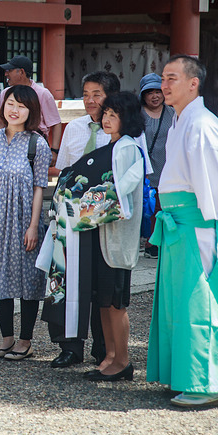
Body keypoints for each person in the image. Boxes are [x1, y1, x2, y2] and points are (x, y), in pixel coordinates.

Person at [146, 55, 218, 409]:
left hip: (196, 221)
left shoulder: (201, 123)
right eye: (163, 78)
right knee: (177, 301)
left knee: (199, 300)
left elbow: (215, 176)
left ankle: (206, 382)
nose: (164, 85)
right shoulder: (180, 122)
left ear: (193, 83)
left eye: (172, 78)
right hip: (177, 222)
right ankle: (182, 373)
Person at [0, 85, 51, 361]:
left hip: (22, 220)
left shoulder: (36, 143)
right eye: (11, 104)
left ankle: (25, 340)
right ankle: (6, 338)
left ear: (31, 111)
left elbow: (40, 187)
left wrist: (33, 225)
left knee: (27, 279)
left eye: (22, 106)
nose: (14, 110)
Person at [83, 92, 144, 382]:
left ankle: (122, 360)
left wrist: (82, 208)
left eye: (114, 115)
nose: (107, 119)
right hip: (102, 232)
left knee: (116, 303)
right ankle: (109, 356)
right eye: (105, 113)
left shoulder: (127, 147)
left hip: (117, 236)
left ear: (127, 118)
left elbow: (120, 193)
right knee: (104, 301)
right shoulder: (113, 144)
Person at [139, 72, 176, 258]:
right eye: (149, 92)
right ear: (143, 95)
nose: (154, 96)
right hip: (143, 169)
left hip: (166, 168)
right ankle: (145, 240)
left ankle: (154, 242)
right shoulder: (136, 114)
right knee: (145, 208)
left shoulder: (173, 112)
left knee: (162, 208)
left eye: (158, 91)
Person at [0, 55, 63, 147]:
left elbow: (55, 123)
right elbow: (0, 122)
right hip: (9, 143)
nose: (6, 74)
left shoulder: (43, 94)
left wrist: (55, 150)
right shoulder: (5, 93)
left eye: (10, 71)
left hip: (36, 146)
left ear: (22, 72)